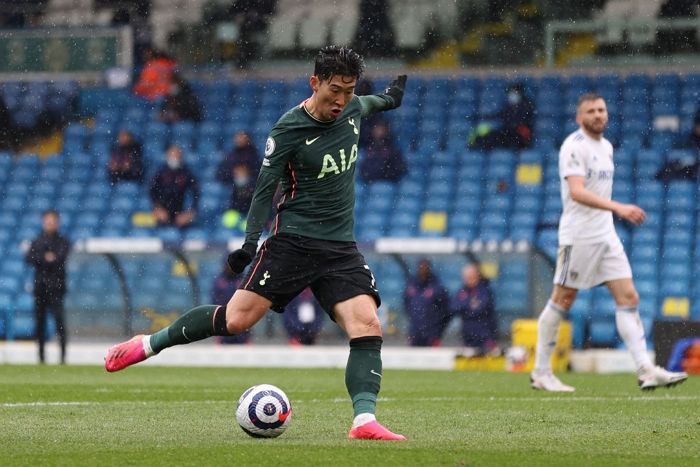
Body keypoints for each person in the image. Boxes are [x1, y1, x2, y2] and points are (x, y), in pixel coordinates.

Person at [105, 46, 408, 441]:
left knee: (367, 324)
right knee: (236, 320)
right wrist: (250, 244)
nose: (341, 101)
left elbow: (368, 104)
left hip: (339, 248)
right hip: (293, 243)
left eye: (348, 91)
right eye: (334, 90)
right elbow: (264, 191)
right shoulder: (288, 129)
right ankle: (148, 344)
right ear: (314, 82)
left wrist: (390, 99)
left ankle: (363, 421)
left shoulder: (350, 109)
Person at [530, 93, 688, 392]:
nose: (598, 115)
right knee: (562, 299)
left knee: (629, 298)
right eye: (591, 111)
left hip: (605, 235)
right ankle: (540, 372)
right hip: (579, 236)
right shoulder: (573, 147)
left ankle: (646, 370)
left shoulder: (606, 147)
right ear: (579, 118)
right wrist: (618, 207)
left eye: (601, 110)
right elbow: (576, 192)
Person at [25, 210, 71, 364]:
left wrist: (43, 258)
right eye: (47, 221)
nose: (50, 223)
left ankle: (63, 357)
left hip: (56, 288)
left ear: (57, 222)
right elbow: (29, 258)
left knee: (59, 322)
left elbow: (60, 257)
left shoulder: (63, 240)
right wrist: (46, 258)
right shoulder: (37, 240)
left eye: (52, 221)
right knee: (40, 323)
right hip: (40, 288)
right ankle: (41, 357)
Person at [469, 83, 534, 151]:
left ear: (520, 94)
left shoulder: (526, 106)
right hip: (507, 131)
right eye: (511, 93)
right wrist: (480, 116)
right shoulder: (508, 106)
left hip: (519, 133)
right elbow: (498, 115)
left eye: (514, 93)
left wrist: (514, 126)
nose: (512, 95)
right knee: (490, 136)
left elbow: (523, 122)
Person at [449, 264, 498, 355]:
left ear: (477, 276)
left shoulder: (485, 290)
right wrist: (469, 305)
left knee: (488, 362)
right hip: (468, 335)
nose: (468, 279)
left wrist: (465, 308)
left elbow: (481, 308)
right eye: (466, 277)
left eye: (471, 276)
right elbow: (454, 307)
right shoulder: (461, 291)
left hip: (485, 334)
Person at [149, 144, 200, 228]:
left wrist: (190, 212)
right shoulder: (161, 172)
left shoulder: (186, 172)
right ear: (168, 155)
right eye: (173, 154)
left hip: (180, 214)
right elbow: (152, 191)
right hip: (162, 214)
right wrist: (157, 209)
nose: (175, 157)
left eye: (178, 154)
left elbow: (196, 192)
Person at [403, 259, 450, 347]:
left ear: (429, 269)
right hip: (415, 332)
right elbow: (406, 305)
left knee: (433, 359)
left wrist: (438, 329)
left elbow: (445, 310)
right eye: (421, 267)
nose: (423, 270)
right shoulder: (411, 285)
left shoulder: (437, 287)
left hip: (432, 333)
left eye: (425, 267)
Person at [216, 131, 260, 214]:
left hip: (251, 195)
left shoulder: (254, 156)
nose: (239, 140)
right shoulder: (231, 155)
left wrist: (248, 175)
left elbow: (260, 174)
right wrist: (233, 174)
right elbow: (219, 173)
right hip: (233, 195)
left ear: (248, 139)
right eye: (237, 137)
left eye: (242, 137)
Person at [210, 261, 251, 344]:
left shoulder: (245, 280)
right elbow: (214, 301)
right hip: (223, 323)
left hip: (241, 323)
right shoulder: (219, 281)